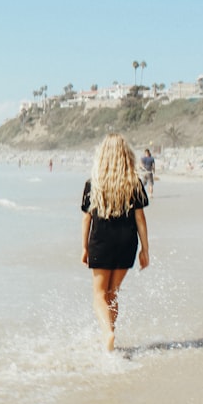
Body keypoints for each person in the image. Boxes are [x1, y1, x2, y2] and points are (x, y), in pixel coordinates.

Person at [81, 134, 150, 351]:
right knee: (113, 292)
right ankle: (111, 335)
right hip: (127, 243)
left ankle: (108, 333)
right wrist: (145, 250)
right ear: (126, 155)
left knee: (99, 294)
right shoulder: (134, 183)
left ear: (102, 156)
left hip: (101, 241)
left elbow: (87, 218)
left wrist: (84, 247)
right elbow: (140, 218)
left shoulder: (94, 184)